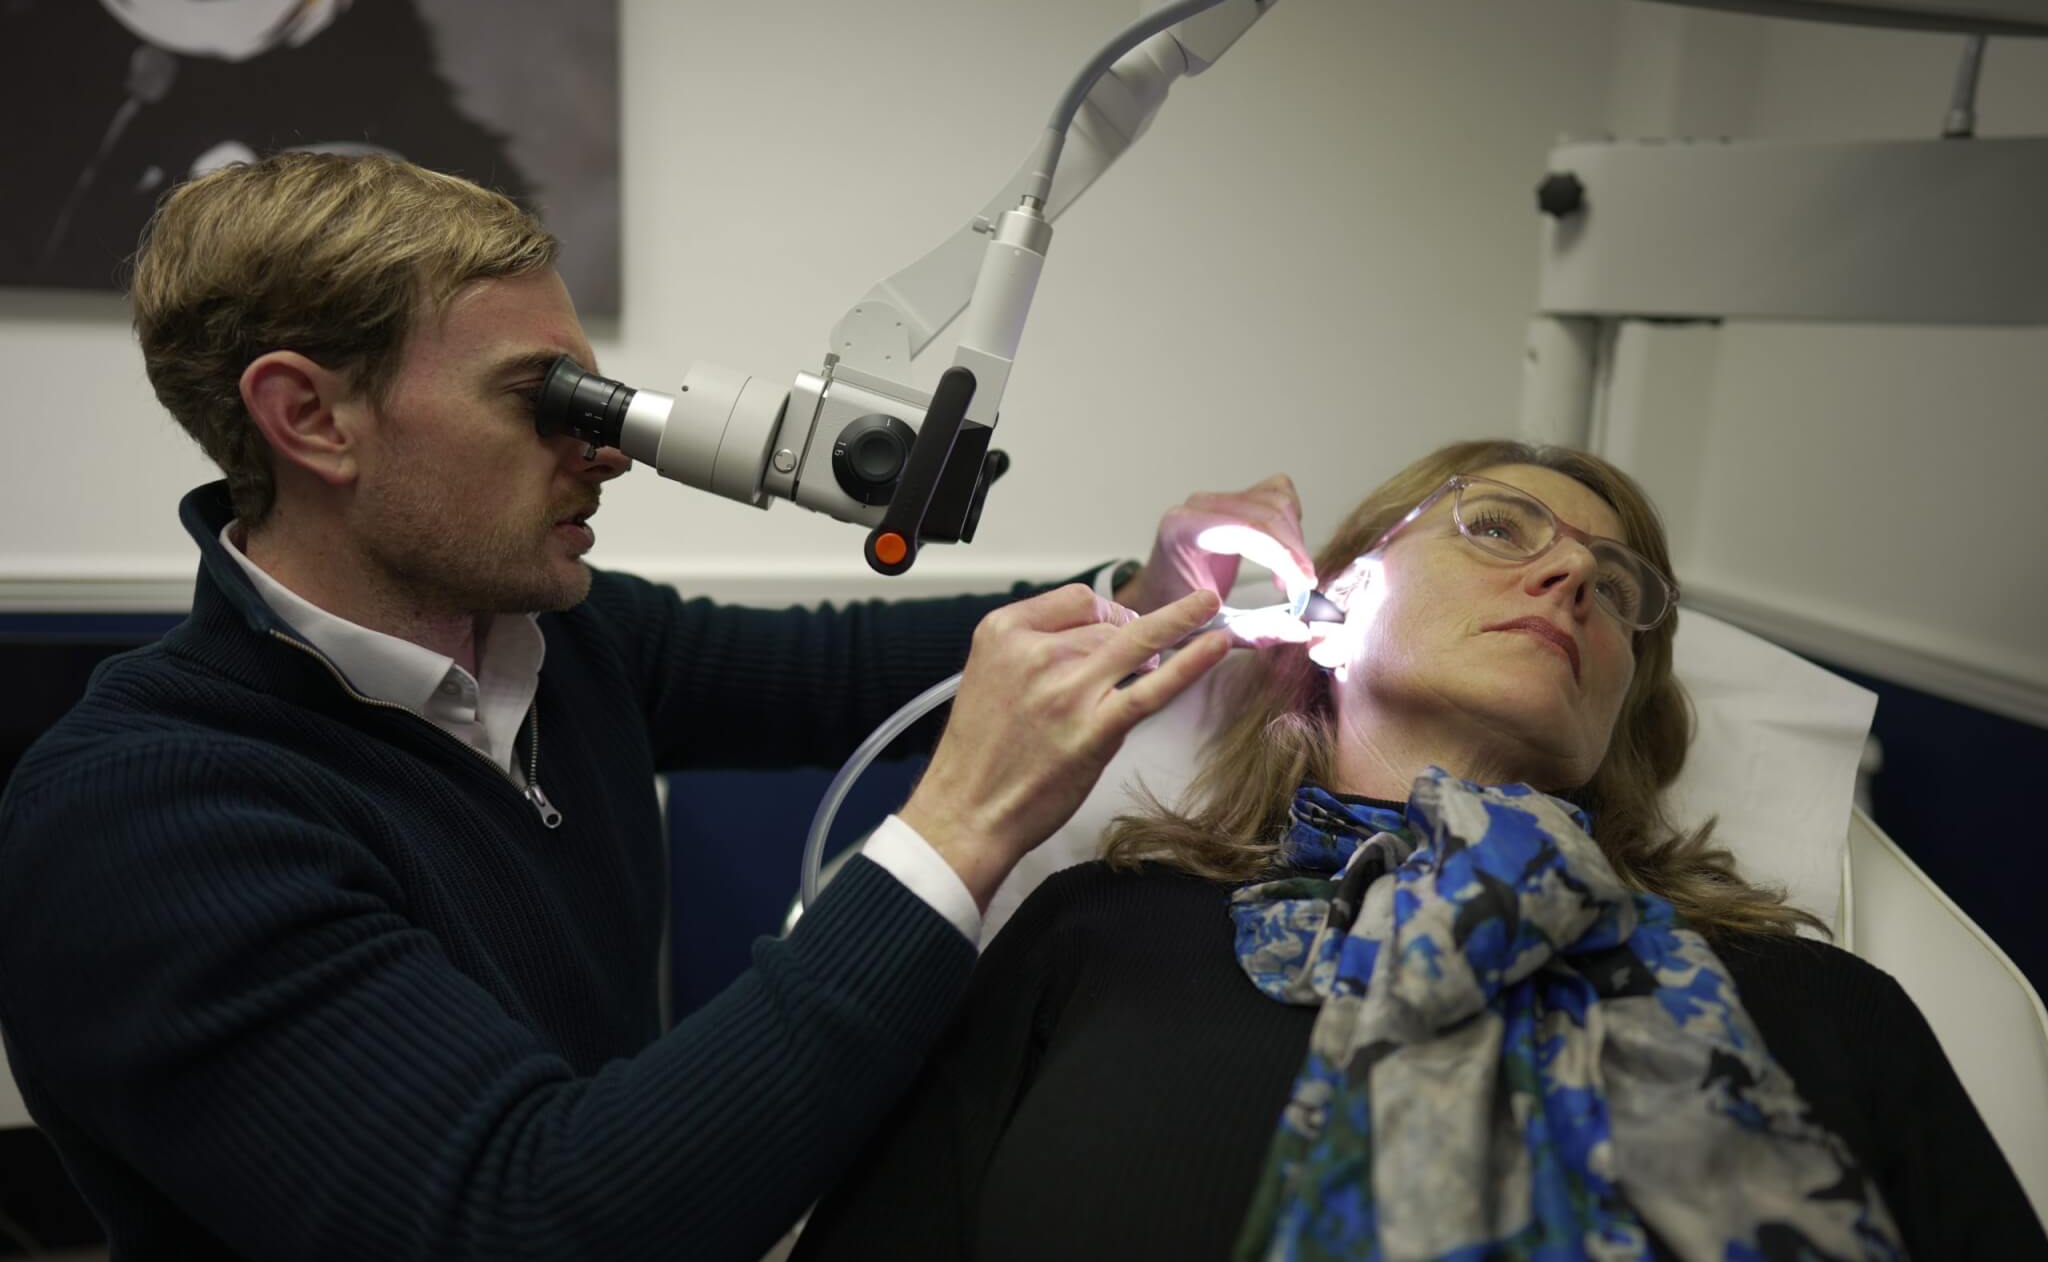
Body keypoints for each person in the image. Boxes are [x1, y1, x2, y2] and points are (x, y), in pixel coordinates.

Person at [0, 151, 1321, 1261]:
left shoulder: (562, 639)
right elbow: (536, 1218)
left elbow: (852, 671)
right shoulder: (147, 821)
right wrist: (964, 822)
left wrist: (1148, 587)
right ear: (311, 418)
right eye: (544, 401)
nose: (610, 445)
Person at [793, 440, 2048, 1261]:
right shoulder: (1098, 931)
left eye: (1617, 589)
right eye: (1499, 528)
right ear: (1331, 595)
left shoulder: (1822, 1006)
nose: (1568, 575)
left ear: (1624, 710)